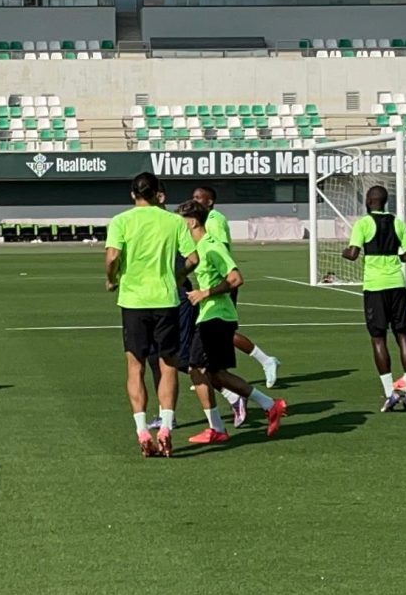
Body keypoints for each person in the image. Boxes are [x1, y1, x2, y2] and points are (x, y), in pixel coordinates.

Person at [179, 201, 284, 444]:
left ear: (193, 221)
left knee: (195, 368)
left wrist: (205, 293)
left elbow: (236, 278)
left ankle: (216, 427)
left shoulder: (212, 246)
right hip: (212, 315)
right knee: (214, 373)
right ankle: (270, 405)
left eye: (181, 222)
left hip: (217, 316)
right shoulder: (198, 248)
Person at [105, 171, 190, 456]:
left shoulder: (121, 221)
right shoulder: (174, 221)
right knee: (168, 364)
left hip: (133, 300)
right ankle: (166, 426)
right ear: (158, 194)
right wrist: (177, 278)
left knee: (135, 366)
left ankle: (142, 430)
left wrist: (111, 277)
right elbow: (193, 258)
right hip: (165, 298)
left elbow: (113, 257)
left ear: (133, 194)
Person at [188, 184, 282, 388]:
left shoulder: (214, 220)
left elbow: (220, 251)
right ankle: (212, 370)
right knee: (218, 332)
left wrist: (210, 284)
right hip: (212, 284)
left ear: (209, 201)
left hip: (221, 283)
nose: (194, 200)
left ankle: (263, 361)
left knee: (222, 331)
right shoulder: (203, 221)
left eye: (198, 197)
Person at [340, 184, 406, 411]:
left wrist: (344, 252)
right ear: (385, 202)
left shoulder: (363, 223)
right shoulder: (397, 222)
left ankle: (390, 392)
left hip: (375, 286)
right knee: (402, 334)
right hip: (397, 284)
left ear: (368, 200)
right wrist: (393, 255)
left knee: (378, 338)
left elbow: (353, 254)